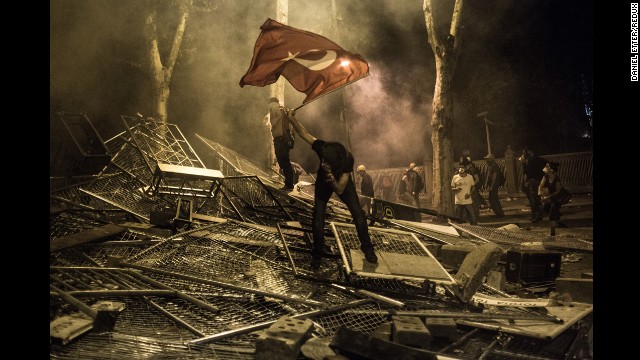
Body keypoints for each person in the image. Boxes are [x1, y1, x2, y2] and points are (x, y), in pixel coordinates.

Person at [286, 109, 378, 269]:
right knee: (318, 217)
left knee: (358, 213)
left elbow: (341, 189)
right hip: (324, 181)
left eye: (327, 163)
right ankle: (317, 255)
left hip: (341, 182)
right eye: (323, 160)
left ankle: (367, 248)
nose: (322, 163)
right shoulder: (323, 147)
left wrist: (331, 176)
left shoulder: (347, 160)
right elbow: (303, 133)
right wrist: (291, 119)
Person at [268, 97, 295, 190]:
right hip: (279, 140)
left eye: (270, 104)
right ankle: (289, 183)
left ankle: (289, 184)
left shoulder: (278, 111)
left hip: (282, 140)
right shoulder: (278, 112)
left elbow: (273, 123)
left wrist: (282, 113)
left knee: (284, 161)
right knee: (282, 161)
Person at [519, 146, 548, 222]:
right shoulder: (539, 159)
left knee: (534, 199)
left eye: (524, 152)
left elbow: (527, 172)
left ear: (530, 151)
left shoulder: (532, 161)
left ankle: (537, 216)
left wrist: (523, 163)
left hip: (534, 182)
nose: (524, 154)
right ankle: (536, 215)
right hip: (538, 181)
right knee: (535, 199)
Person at [538, 162, 563, 237]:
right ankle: (557, 221)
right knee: (548, 213)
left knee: (552, 215)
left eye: (548, 166)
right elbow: (541, 185)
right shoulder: (546, 176)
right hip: (549, 198)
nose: (546, 167)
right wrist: (539, 192)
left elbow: (558, 191)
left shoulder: (556, 179)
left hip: (556, 198)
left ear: (551, 169)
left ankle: (553, 234)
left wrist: (548, 197)